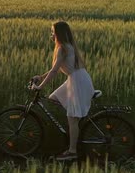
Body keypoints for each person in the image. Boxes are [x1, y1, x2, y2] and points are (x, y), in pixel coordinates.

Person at [31, 21, 95, 161]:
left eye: (53, 32)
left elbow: (54, 71)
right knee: (53, 98)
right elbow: (57, 67)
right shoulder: (67, 46)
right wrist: (41, 76)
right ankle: (76, 120)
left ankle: (72, 151)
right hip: (78, 78)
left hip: (77, 82)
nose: (51, 35)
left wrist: (40, 86)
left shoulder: (62, 48)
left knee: (72, 119)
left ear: (59, 34)